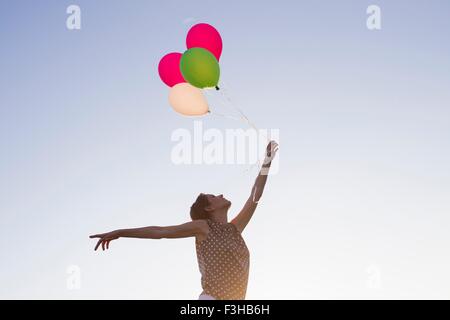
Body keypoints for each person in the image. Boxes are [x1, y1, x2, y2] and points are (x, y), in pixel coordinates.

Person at [90, 141, 279, 300]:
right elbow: (160, 232)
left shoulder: (234, 229)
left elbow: (255, 196)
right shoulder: (203, 227)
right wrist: (121, 233)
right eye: (213, 196)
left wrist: (267, 162)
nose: (220, 194)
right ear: (208, 208)